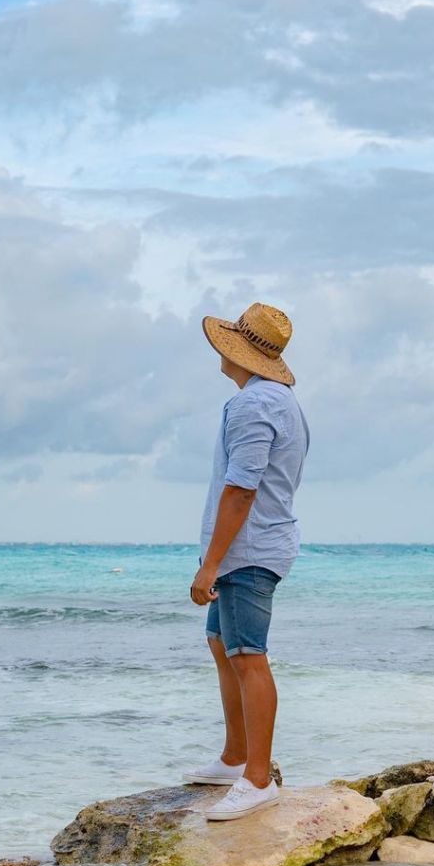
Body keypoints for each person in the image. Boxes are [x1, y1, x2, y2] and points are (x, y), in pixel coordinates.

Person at [187, 302, 310, 821]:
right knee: (222, 644)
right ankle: (235, 757)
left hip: (248, 549)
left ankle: (258, 778)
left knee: (246, 655)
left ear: (239, 352)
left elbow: (241, 489)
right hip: (255, 544)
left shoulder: (253, 405)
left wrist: (210, 565)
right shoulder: (278, 400)